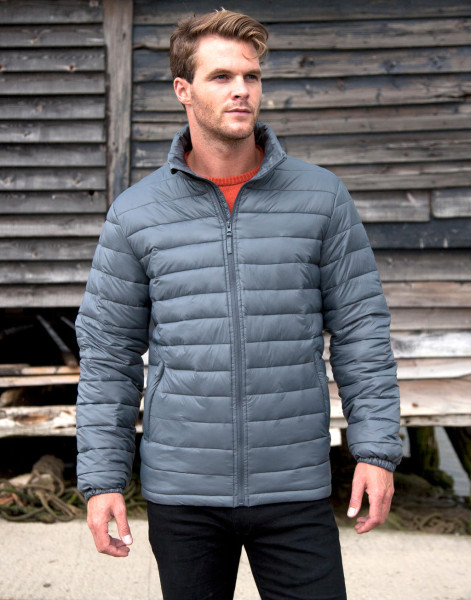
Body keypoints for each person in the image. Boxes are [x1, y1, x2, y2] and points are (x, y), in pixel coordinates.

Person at [75, 9, 402, 600]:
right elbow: (108, 355)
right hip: (183, 493)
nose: (241, 90)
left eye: (251, 76)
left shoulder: (321, 197)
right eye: (221, 76)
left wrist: (376, 450)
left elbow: (361, 330)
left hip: (295, 485)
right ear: (184, 90)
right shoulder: (135, 214)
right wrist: (102, 480)